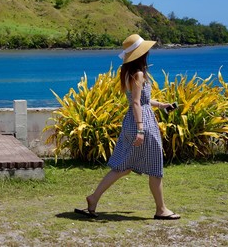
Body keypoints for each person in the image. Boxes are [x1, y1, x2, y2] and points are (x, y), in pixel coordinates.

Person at [75, 34, 181, 220]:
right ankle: (161, 210)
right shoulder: (139, 74)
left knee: (123, 167)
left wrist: (162, 105)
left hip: (131, 122)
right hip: (142, 123)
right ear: (141, 54)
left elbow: (143, 100)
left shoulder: (129, 73)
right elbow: (136, 102)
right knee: (156, 167)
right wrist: (141, 129)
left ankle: (93, 198)